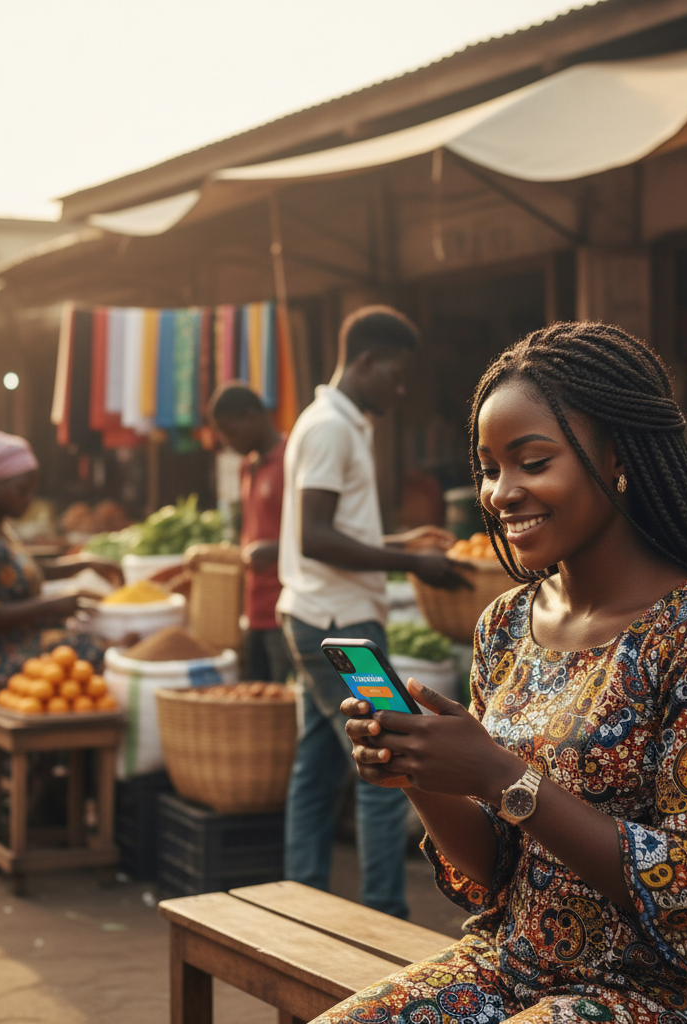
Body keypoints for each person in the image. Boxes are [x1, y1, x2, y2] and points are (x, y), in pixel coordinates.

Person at [324, 322, 687, 1023]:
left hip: (671, 996)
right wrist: (419, 773)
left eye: (533, 462)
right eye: (489, 468)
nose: (501, 492)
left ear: (618, 458)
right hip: (516, 965)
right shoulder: (505, 626)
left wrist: (500, 776)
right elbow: (495, 872)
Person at [277, 305, 469, 919]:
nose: (401, 386)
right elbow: (315, 535)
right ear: (365, 361)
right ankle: (386, 917)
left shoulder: (334, 420)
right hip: (337, 624)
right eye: (396, 372)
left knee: (315, 767)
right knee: (392, 770)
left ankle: (299, 895)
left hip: (319, 614)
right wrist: (412, 565)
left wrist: (403, 547)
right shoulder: (332, 426)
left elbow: (335, 529)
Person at [0, 431, 122, 704]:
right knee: (86, 651)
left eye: (33, 489)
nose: (30, 498)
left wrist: (84, 564)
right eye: (22, 490)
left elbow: (21, 573)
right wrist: (49, 606)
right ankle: (62, 743)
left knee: (84, 641)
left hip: (2, 642)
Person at [210, 382, 291, 682]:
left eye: (230, 430)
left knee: (281, 701)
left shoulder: (289, 460)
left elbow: (311, 534)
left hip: (282, 608)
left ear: (253, 416)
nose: (227, 441)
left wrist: (271, 550)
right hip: (253, 607)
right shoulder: (248, 466)